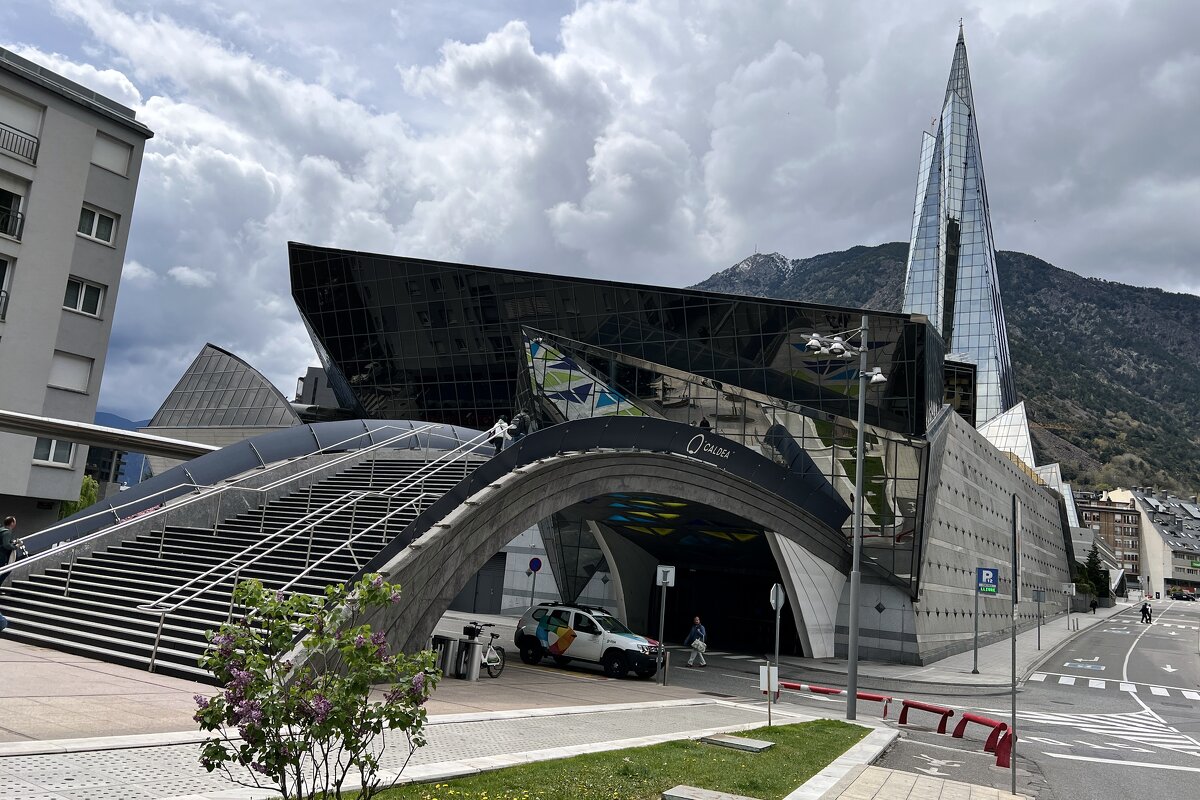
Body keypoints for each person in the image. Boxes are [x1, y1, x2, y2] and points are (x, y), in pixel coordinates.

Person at [0, 516, 15, 589]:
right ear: (12, 523)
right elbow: (6, 545)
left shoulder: (1, 530)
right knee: (5, 571)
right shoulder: (7, 532)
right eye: (14, 522)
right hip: (2, 555)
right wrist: (15, 546)